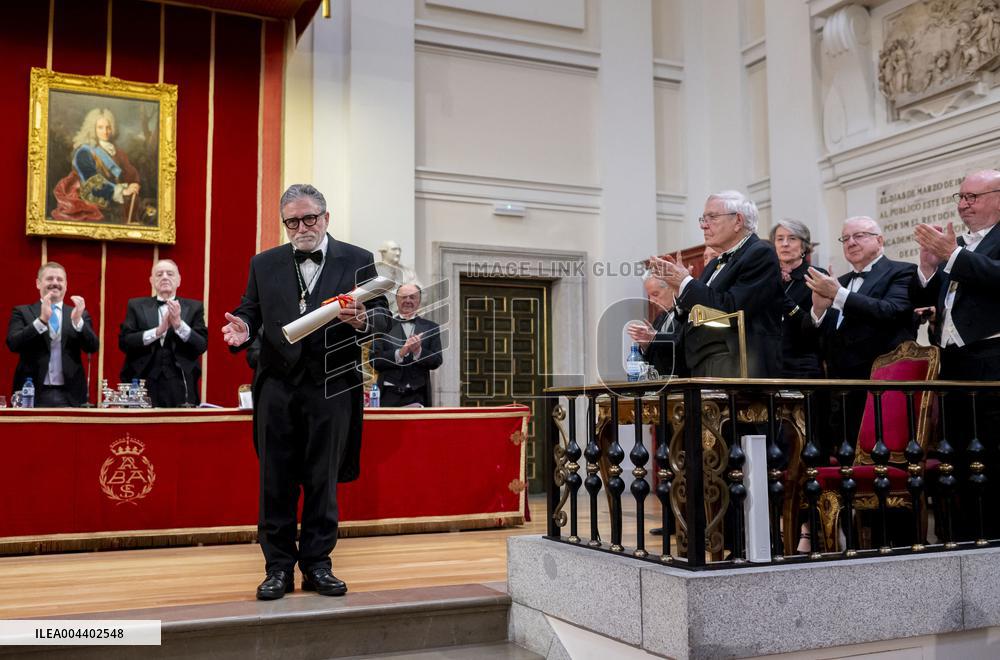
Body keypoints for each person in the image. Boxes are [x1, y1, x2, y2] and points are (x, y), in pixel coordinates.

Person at [222, 183, 390, 601]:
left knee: (322, 479)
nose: (301, 228)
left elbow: (385, 318)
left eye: (309, 218)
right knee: (275, 480)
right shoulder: (264, 264)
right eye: (292, 222)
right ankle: (277, 568)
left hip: (333, 386)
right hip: (276, 386)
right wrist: (242, 329)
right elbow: (249, 310)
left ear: (326, 218)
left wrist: (364, 319)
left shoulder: (358, 259)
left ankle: (318, 565)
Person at [912, 169, 1000, 539]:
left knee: (992, 453)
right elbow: (925, 304)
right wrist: (928, 268)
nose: (964, 205)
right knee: (958, 455)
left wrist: (952, 254)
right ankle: (963, 536)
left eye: (973, 197)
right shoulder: (959, 243)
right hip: (954, 364)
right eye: (961, 198)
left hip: (991, 360)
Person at [806, 216, 916, 445]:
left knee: (879, 456)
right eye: (845, 238)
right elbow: (824, 336)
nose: (851, 242)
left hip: (879, 382)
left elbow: (890, 311)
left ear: (880, 240)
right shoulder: (840, 282)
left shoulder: (902, 271)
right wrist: (818, 309)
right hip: (839, 388)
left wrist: (839, 295)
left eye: (859, 236)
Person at [650, 190, 784, 377]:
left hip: (740, 366)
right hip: (703, 364)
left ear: (738, 221)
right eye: (703, 219)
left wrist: (685, 282)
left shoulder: (760, 253)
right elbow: (696, 314)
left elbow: (732, 310)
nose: (703, 226)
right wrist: (678, 290)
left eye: (712, 217)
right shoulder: (714, 263)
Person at [6, 262, 99, 406]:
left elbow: (92, 347)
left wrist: (78, 322)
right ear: (38, 283)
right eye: (49, 279)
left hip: (71, 395)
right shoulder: (22, 312)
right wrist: (41, 321)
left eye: (60, 279)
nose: (55, 283)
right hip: (31, 393)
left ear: (66, 285)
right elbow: (13, 344)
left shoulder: (78, 314)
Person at [118, 259, 208, 407]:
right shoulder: (135, 305)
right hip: (142, 382)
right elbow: (125, 342)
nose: (165, 277)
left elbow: (201, 345)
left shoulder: (194, 307)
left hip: (180, 384)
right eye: (159, 274)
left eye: (170, 274)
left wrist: (179, 325)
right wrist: (158, 331)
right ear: (152, 280)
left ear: (179, 280)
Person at [51, 108, 142, 225]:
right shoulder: (84, 152)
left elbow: (130, 172)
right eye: (100, 127)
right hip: (93, 208)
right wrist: (122, 192)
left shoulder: (118, 153)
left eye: (108, 127)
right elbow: (92, 183)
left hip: (117, 208)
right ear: (92, 129)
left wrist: (135, 183)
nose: (105, 131)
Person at [371, 283, 443, 407]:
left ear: (419, 300)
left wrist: (418, 351)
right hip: (388, 396)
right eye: (403, 297)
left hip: (418, 396)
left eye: (412, 297)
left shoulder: (431, 328)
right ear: (397, 299)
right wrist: (400, 353)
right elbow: (374, 361)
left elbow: (436, 361)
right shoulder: (382, 326)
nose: (408, 300)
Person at [771, 219, 825, 378]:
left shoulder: (816, 277)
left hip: (801, 366)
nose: (785, 244)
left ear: (804, 246)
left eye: (792, 238)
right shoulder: (766, 277)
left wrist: (782, 295)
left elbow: (814, 328)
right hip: (768, 364)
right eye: (780, 239)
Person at [626, 271, 685, 379]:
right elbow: (653, 356)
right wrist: (645, 345)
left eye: (655, 294)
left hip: (683, 380)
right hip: (660, 383)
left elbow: (682, 342)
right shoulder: (660, 318)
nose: (652, 301)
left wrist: (655, 336)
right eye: (649, 296)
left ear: (671, 288)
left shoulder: (687, 312)